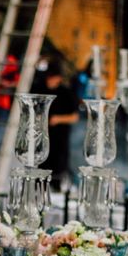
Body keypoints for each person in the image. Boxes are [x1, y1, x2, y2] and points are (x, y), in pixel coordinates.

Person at [32, 60, 80, 189]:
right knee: (40, 171)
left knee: (57, 171)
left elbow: (74, 117)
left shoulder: (66, 93)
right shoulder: (39, 89)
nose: (50, 80)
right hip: (41, 137)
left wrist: (57, 119)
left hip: (59, 138)